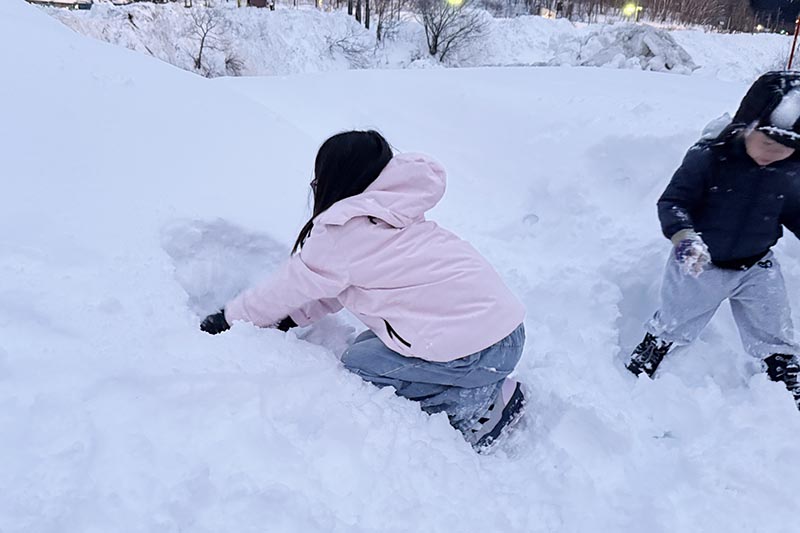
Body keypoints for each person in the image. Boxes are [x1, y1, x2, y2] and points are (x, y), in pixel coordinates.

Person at [201, 130, 527, 449]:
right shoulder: (394, 212)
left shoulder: (341, 234)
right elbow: (331, 283)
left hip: (481, 352)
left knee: (361, 365)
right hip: (506, 332)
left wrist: (229, 319)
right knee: (372, 342)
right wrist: (291, 318)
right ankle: (475, 379)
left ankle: (479, 404)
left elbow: (284, 288)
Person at [626, 71, 800, 411]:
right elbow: (673, 202)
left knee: (773, 325)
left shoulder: (789, 170)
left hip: (757, 265)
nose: (773, 154)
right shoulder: (709, 158)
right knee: (679, 317)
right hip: (701, 261)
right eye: (767, 143)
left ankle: (782, 366)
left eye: (785, 149)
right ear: (745, 124)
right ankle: (655, 345)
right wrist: (683, 236)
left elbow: (794, 212)